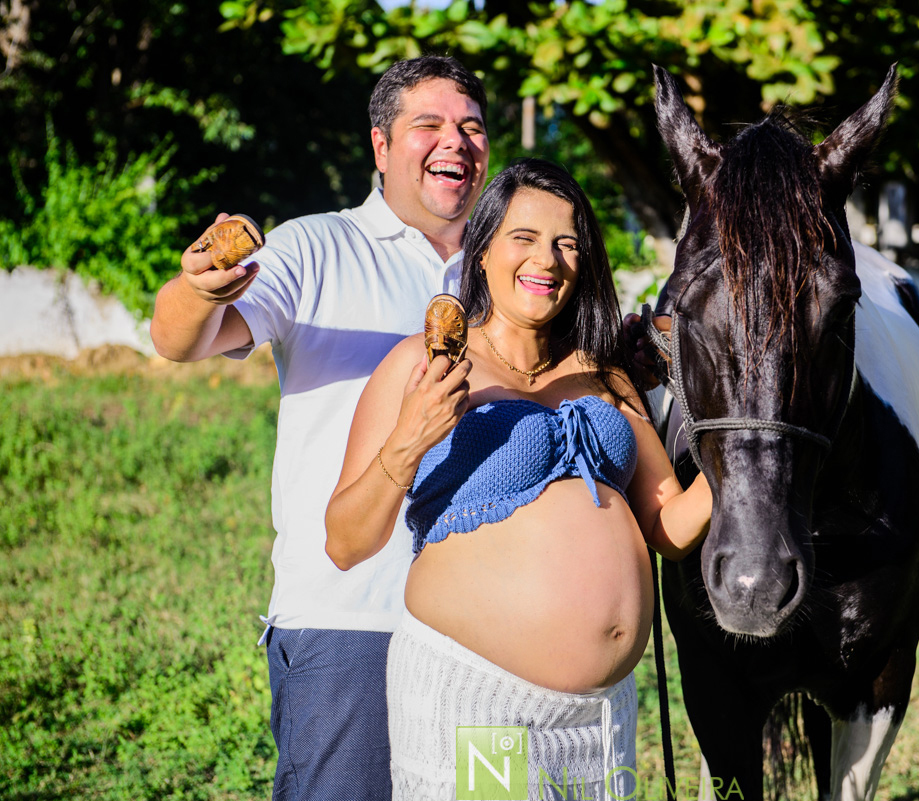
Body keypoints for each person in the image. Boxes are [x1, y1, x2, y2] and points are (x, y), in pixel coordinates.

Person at [148, 56, 489, 800]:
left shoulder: (507, 270)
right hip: (350, 620)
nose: (454, 143)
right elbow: (180, 339)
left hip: (486, 630)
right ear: (379, 146)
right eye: (427, 126)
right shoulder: (314, 247)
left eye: (470, 127)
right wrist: (198, 285)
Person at [325, 158, 713, 800]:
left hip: (600, 719)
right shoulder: (423, 366)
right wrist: (409, 441)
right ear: (480, 252)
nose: (549, 260)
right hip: (484, 703)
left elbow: (668, 528)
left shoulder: (605, 375)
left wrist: (738, 454)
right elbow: (344, 542)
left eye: (567, 243)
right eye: (524, 238)